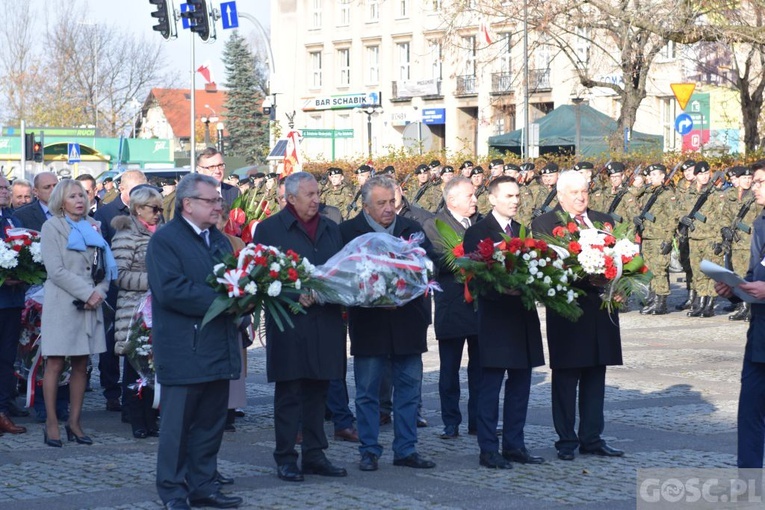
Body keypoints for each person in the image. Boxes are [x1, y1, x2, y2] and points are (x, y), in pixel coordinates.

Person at [146, 173, 242, 509]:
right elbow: (171, 291)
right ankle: (173, 491)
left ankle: (204, 486)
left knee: (210, 426)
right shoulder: (166, 240)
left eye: (219, 200)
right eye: (212, 200)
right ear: (188, 204)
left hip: (219, 346)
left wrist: (244, 300)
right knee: (177, 428)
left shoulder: (218, 239)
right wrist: (227, 302)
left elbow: (232, 280)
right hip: (184, 349)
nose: (220, 205)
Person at [253, 172, 349, 482]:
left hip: (327, 320)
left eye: (317, 193)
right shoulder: (269, 229)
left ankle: (315, 454)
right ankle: (285, 457)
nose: (317, 199)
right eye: (309, 195)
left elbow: (343, 269)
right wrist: (297, 294)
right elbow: (260, 274)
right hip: (290, 322)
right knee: (290, 392)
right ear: (291, 198)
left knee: (319, 390)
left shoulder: (332, 228)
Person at [340, 175, 436, 472]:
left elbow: (429, 267)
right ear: (366, 206)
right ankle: (369, 450)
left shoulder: (412, 229)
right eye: (380, 203)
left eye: (392, 202)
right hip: (370, 325)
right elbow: (341, 274)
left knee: (408, 390)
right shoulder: (347, 232)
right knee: (368, 391)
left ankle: (406, 449)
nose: (388, 208)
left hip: (408, 322)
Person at [531, 170, 624, 461]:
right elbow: (548, 266)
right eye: (574, 192)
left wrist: (620, 285)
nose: (581, 197)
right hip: (569, 309)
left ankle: (592, 438)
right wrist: (587, 278)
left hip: (601, 310)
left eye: (584, 191)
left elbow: (622, 256)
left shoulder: (603, 220)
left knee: (596, 374)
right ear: (560, 195)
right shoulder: (545, 223)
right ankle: (566, 441)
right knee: (567, 376)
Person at [464, 176, 546, 469]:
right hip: (496, 320)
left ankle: (515, 445)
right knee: (491, 386)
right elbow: (477, 277)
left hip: (522, 319)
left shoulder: (524, 231)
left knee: (520, 386)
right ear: (493, 199)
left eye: (517, 196)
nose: (515, 201)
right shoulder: (478, 232)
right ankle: (488, 449)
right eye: (509, 195)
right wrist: (502, 287)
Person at [40, 179, 117, 447]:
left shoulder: (93, 227)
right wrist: (88, 293)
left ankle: (74, 422)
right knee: (56, 364)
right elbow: (55, 270)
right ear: (61, 201)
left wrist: (100, 293)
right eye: (73, 196)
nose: (79, 200)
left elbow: (104, 267)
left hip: (90, 305)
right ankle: (51, 423)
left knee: (82, 366)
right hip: (63, 304)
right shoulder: (51, 227)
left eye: (82, 195)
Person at [422, 177, 481, 440]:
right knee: (449, 369)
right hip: (453, 305)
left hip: (481, 307)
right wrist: (477, 260)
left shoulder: (481, 222)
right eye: (470, 196)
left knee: (481, 368)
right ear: (452, 200)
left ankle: (479, 420)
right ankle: (451, 421)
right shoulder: (434, 225)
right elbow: (441, 261)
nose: (475, 200)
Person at [715, 161, 765, 468]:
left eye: (760, 182)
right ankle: (748, 486)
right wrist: (733, 289)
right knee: (749, 414)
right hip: (760, 336)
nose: (754, 186)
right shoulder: (760, 223)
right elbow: (753, 276)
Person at [111, 186, 163, 439]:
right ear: (138, 208)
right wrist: (154, 280)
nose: (158, 214)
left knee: (155, 365)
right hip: (134, 310)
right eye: (154, 209)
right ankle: (137, 420)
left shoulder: (162, 233)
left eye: (161, 209)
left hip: (159, 309)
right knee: (135, 366)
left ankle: (151, 418)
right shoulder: (125, 233)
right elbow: (118, 276)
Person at [95, 169, 148, 415]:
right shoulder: (106, 213)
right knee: (111, 342)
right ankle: (111, 390)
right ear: (123, 190)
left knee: (138, 343)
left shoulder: (153, 213)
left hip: (143, 294)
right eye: (136, 191)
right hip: (114, 289)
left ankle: (137, 394)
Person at [0, 175, 28, 434]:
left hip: (11, 300)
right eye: (0, 187)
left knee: (7, 358)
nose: (4, 191)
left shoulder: (12, 218)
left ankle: (4, 409)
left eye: (5, 187)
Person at [635, 164, 679, 315]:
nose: (650, 177)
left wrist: (668, 239)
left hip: (660, 237)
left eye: (654, 174)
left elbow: (673, 218)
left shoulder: (667, 194)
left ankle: (661, 303)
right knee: (650, 270)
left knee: (660, 270)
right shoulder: (648, 192)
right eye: (650, 175)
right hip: (647, 237)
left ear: (662, 176)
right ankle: (653, 299)